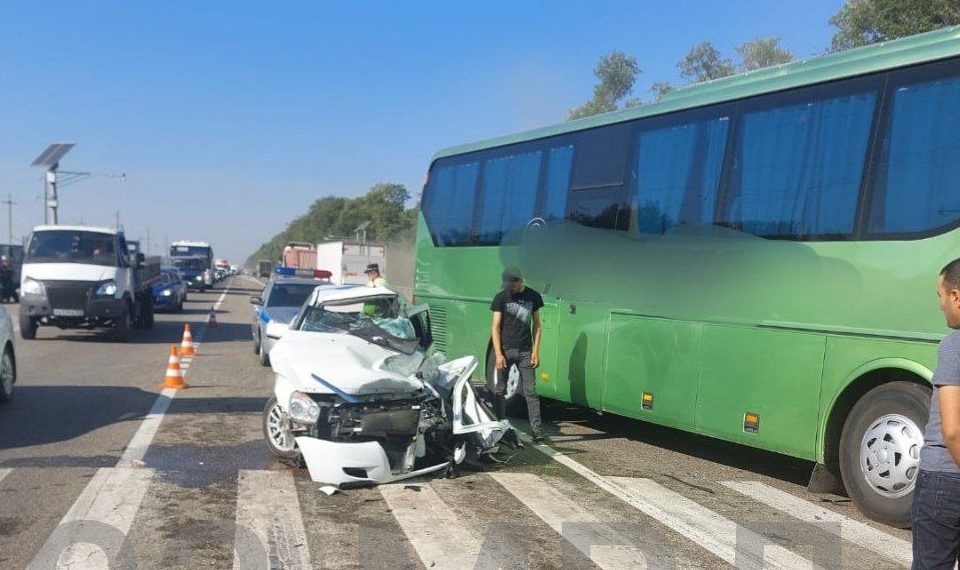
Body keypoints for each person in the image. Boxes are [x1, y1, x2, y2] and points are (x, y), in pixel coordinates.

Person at [913, 257, 960, 569]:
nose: (941, 305)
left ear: (957, 295)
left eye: (941, 296)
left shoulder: (954, 346)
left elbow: (953, 430)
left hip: (945, 478)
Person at [490, 266, 545, 440]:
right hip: (506, 350)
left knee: (531, 392)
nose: (508, 289)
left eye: (511, 285)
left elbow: (537, 325)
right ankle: (499, 425)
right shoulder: (500, 298)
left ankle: (537, 431)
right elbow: (495, 327)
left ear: (520, 281)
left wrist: (536, 351)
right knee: (500, 389)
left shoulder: (534, 297)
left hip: (525, 351)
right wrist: (498, 354)